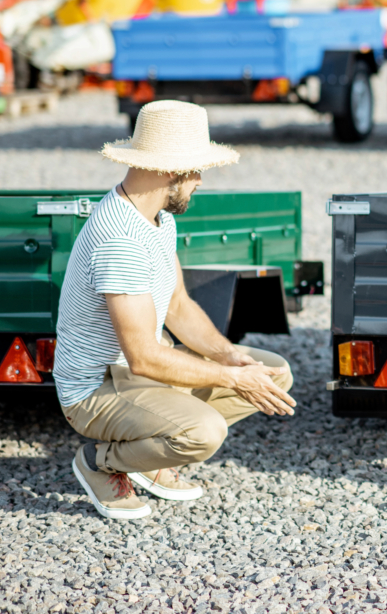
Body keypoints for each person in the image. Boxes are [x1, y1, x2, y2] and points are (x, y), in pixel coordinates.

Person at [55, 100, 297, 520]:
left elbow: (179, 306)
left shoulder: (158, 219)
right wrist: (230, 377)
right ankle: (101, 462)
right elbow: (143, 357)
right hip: (96, 390)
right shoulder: (120, 241)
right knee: (204, 431)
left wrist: (230, 356)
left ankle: (153, 454)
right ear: (171, 171)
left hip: (133, 375)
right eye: (196, 170)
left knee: (273, 373)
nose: (201, 181)